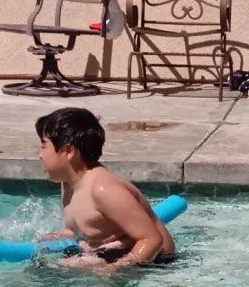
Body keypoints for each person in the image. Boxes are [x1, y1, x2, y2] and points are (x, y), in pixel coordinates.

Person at [35, 108, 175, 269]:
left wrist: (114, 269)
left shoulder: (104, 190)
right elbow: (81, 229)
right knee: (44, 264)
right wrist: (58, 236)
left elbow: (152, 240)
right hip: (109, 251)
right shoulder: (68, 183)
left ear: (68, 151)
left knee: (57, 269)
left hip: (158, 263)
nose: (40, 155)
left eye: (44, 146)